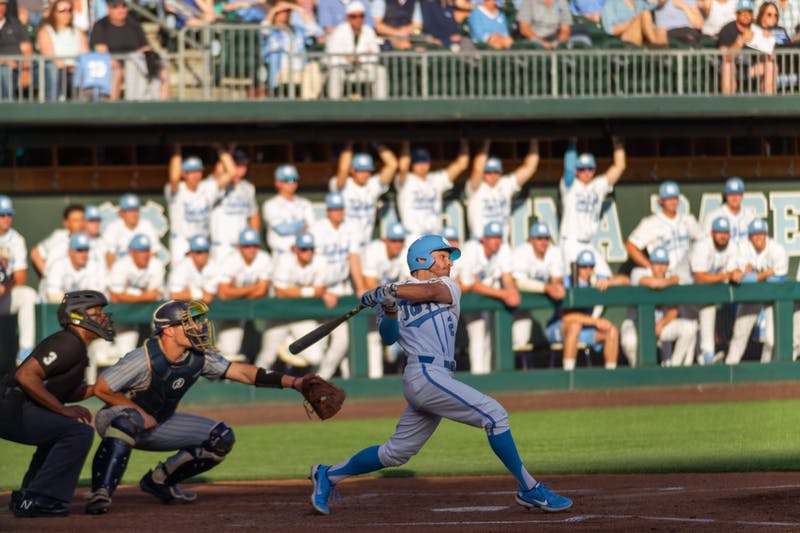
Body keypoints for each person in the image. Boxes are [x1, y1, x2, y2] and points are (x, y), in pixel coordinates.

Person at [309, 233, 572, 515]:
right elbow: (389, 337)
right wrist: (388, 308)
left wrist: (388, 291)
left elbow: (430, 293)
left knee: (396, 453)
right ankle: (530, 488)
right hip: (422, 374)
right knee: (495, 416)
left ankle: (328, 474)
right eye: (443, 256)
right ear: (422, 259)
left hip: (437, 376)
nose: (449, 262)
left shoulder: (445, 285)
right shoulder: (395, 295)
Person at [84, 299, 313, 514]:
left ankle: (159, 481)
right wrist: (140, 413)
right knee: (128, 420)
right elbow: (102, 389)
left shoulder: (199, 356)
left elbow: (242, 372)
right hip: (116, 418)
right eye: (189, 322)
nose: (199, 326)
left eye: (198, 320)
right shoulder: (142, 358)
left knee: (221, 438)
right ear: (168, 330)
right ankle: (101, 493)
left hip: (160, 422)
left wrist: (295, 382)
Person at [1, 290, 114, 518]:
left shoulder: (77, 346)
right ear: (78, 316)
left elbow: (66, 391)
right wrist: (62, 409)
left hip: (14, 406)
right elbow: (25, 375)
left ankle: (29, 496)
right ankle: (41, 499)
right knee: (77, 433)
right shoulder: (68, 342)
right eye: (97, 312)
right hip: (9, 406)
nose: (103, 317)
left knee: (61, 429)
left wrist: (102, 388)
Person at [89, 233, 166, 382]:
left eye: (146, 250)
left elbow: (155, 295)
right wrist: (142, 295)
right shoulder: (121, 265)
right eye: (140, 251)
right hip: (114, 316)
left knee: (126, 352)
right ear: (132, 252)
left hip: (141, 316)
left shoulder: (156, 264)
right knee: (102, 354)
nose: (144, 254)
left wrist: (129, 293)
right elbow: (116, 296)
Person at [255, 232, 328, 370]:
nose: (307, 252)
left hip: (301, 316)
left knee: (316, 357)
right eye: (303, 249)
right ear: (295, 249)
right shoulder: (284, 260)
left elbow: (320, 290)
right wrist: (308, 291)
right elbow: (280, 292)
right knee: (267, 357)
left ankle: (289, 344)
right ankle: (252, 387)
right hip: (278, 315)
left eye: (310, 248)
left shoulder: (320, 261)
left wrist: (296, 291)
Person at [546, 249, 629, 370]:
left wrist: (609, 282)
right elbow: (567, 317)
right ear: (577, 267)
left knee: (612, 331)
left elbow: (626, 280)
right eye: (583, 267)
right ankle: (569, 376)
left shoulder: (595, 279)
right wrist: (596, 322)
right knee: (574, 326)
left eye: (591, 266)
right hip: (559, 328)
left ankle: (610, 376)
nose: (587, 270)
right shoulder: (566, 281)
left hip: (585, 329)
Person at [456, 221, 521, 374]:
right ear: (483, 239)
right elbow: (469, 284)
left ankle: (488, 374)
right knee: (478, 331)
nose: (496, 241)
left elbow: (507, 276)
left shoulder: (503, 249)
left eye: (498, 237)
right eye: (492, 237)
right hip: (462, 295)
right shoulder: (471, 249)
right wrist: (504, 294)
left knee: (489, 336)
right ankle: (479, 377)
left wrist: (511, 291)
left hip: (485, 296)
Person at [310, 192, 362, 379]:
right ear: (327, 211)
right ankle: (314, 377)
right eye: (334, 209)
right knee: (317, 346)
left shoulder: (350, 229)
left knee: (343, 341)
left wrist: (360, 286)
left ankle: (321, 379)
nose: (338, 212)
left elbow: (354, 259)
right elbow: (310, 262)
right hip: (320, 289)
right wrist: (322, 289)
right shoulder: (317, 229)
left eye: (340, 208)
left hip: (341, 288)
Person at [620, 247, 698, 367]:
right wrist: (673, 280)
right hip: (636, 324)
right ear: (651, 263)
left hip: (659, 325)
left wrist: (662, 323)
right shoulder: (638, 272)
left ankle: (674, 367)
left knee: (689, 327)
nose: (660, 267)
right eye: (657, 263)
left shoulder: (670, 275)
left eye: (664, 263)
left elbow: (674, 309)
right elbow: (655, 284)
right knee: (629, 341)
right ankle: (636, 369)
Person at [559, 137, 626, 278]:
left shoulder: (598, 185)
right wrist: (572, 143)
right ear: (577, 171)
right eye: (582, 169)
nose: (586, 172)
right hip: (570, 243)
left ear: (594, 169)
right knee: (572, 281)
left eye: (590, 168)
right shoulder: (570, 186)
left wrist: (617, 143)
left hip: (588, 243)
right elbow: (569, 169)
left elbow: (619, 167)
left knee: (607, 278)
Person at [725, 218, 787, 364]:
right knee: (740, 334)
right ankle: (729, 369)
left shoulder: (777, 249)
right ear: (749, 236)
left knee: (772, 339)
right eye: (754, 234)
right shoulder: (743, 248)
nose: (758, 237)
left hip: (772, 299)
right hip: (751, 298)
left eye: (761, 233)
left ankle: (767, 370)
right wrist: (765, 274)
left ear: (766, 234)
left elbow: (779, 279)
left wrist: (749, 275)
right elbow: (734, 276)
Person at [166, 145, 234, 264]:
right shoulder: (177, 189)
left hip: (202, 241)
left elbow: (231, 172)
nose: (196, 175)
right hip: (182, 242)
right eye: (191, 172)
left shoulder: (207, 187)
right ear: (184, 174)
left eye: (198, 171)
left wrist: (220, 149)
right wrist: (176, 148)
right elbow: (174, 178)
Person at [625, 180, 703, 284]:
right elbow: (631, 245)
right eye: (668, 198)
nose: (672, 202)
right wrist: (649, 265)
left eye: (674, 198)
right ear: (661, 200)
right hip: (665, 275)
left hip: (686, 275)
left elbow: (703, 242)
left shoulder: (688, 220)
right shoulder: (651, 223)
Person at [89, 0, 168, 100]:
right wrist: (117, 63)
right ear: (108, 8)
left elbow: (144, 47)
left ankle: (160, 107)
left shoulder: (134, 25)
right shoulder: (101, 25)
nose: (121, 10)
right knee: (118, 71)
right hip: (112, 64)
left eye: (123, 6)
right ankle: (111, 108)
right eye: (116, 6)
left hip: (136, 63)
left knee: (162, 71)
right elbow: (101, 51)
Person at [359, 221, 409, 378]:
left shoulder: (405, 253)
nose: (397, 244)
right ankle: (375, 379)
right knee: (373, 337)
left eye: (400, 240)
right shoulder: (374, 250)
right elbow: (370, 284)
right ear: (385, 240)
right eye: (394, 240)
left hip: (392, 301)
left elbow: (408, 283)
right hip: (369, 300)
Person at [690, 216, 742, 365]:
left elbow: (732, 272)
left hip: (702, 293)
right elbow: (700, 277)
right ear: (712, 233)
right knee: (702, 314)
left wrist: (735, 273)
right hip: (683, 288)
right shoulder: (702, 246)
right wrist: (727, 275)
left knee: (693, 325)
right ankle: (706, 355)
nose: (723, 235)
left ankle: (706, 357)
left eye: (725, 232)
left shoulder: (732, 247)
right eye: (719, 232)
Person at [395, 139, 469, 241]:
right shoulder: (407, 181)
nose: (422, 165)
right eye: (418, 162)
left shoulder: (435, 180)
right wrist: (406, 143)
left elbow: (462, 164)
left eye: (424, 161)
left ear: (429, 162)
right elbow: (403, 167)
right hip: (413, 237)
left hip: (434, 236)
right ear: (412, 164)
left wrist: (464, 140)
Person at [216, 228, 272, 363]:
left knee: (264, 349)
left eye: (254, 245)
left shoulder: (263, 258)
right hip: (230, 310)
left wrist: (235, 291)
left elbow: (261, 291)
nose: (251, 249)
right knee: (229, 350)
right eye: (247, 246)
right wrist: (252, 288)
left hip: (252, 308)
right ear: (239, 247)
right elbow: (223, 293)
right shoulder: (230, 260)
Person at [466, 138, 540, 241]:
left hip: (502, 245)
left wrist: (534, 141)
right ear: (483, 173)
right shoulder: (476, 187)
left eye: (496, 171)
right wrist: (486, 142)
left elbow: (529, 168)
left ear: (500, 172)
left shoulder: (504, 185)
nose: (492, 175)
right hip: (480, 243)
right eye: (488, 171)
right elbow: (477, 168)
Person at [331, 141, 398, 253]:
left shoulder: (372, 184)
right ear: (352, 170)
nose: (365, 174)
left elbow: (393, 165)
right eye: (360, 170)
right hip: (345, 244)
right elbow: (343, 170)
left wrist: (377, 144)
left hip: (366, 242)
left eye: (367, 170)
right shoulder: (345, 185)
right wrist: (349, 145)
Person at [511, 221, 565, 354]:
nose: (544, 242)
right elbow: (518, 282)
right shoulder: (522, 251)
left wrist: (555, 286)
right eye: (539, 238)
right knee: (518, 341)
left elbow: (557, 280)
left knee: (521, 340)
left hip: (530, 301)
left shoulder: (554, 251)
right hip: (515, 303)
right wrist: (546, 288)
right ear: (530, 240)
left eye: (546, 238)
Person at [325, 1, 389, 99]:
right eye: (354, 16)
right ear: (347, 17)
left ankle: (381, 105)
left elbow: (374, 54)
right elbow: (332, 57)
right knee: (335, 74)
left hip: (363, 68)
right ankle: (334, 105)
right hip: (343, 69)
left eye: (361, 16)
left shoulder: (368, 31)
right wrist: (347, 59)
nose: (358, 19)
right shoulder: (339, 31)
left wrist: (359, 59)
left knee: (380, 71)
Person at [0, 195, 37, 363]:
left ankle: (25, 352)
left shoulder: (16, 239)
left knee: (28, 294)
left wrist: (4, 288)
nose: (7, 218)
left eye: (9, 214)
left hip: (4, 295)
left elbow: (20, 277)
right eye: (2, 215)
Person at [261, 1, 323, 99]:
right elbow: (263, 29)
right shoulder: (271, 32)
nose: (284, 14)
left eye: (287, 12)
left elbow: (315, 31)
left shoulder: (297, 30)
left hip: (300, 67)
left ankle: (308, 104)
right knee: (307, 75)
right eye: (281, 12)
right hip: (281, 69)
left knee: (313, 68)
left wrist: (299, 10)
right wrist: (274, 10)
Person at [208, 148, 261, 262]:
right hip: (221, 246)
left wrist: (252, 241)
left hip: (242, 246)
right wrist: (223, 151)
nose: (241, 167)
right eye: (237, 164)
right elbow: (218, 173)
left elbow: (253, 215)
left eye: (243, 164)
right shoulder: (216, 185)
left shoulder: (248, 188)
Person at [718, 0, 776, 95]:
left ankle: (768, 103)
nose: (746, 15)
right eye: (742, 12)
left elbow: (766, 55)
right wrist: (741, 41)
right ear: (736, 14)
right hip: (733, 67)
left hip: (751, 68)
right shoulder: (727, 30)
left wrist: (767, 43)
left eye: (749, 12)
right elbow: (726, 57)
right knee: (727, 66)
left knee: (770, 65)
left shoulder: (758, 29)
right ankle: (728, 105)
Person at [35, 0, 89, 101]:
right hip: (57, 70)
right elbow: (50, 56)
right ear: (54, 13)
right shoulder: (45, 31)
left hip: (75, 70)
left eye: (69, 10)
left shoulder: (78, 31)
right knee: (52, 68)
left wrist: (75, 67)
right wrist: (68, 67)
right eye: (62, 11)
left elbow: (85, 54)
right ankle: (52, 104)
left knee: (81, 73)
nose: (67, 14)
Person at [262, 163, 316, 260]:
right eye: (288, 180)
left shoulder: (305, 203)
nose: (292, 183)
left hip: (303, 254)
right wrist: (302, 224)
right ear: (277, 182)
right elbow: (282, 229)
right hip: (282, 255)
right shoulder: (270, 204)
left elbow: (311, 228)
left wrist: (299, 228)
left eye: (294, 180)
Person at [41, 232, 107, 304]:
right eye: (80, 250)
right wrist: (80, 300)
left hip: (72, 309)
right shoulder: (58, 266)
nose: (84, 254)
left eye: (86, 250)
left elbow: (95, 295)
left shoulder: (91, 266)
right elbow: (53, 297)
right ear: (70, 252)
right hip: (47, 309)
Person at [102, 193, 164, 268]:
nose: (134, 214)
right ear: (121, 213)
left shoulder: (146, 226)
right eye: (130, 211)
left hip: (142, 272)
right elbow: (109, 256)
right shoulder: (113, 228)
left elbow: (153, 254)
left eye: (136, 210)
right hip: (120, 272)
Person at [31, 203, 86, 278]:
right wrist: (48, 276)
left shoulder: (92, 241)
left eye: (82, 219)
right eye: (76, 220)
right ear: (66, 223)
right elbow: (35, 253)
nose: (80, 224)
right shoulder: (58, 236)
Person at [700, 176, 757, 245]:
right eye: (731, 194)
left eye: (737, 194)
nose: (734, 197)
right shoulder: (713, 216)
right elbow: (704, 242)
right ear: (726, 195)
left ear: (742, 195)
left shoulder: (750, 216)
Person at [168, 233, 219, 304]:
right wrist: (200, 294)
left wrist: (189, 293)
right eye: (199, 252)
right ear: (191, 253)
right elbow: (174, 295)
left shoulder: (213, 267)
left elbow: (208, 297)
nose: (204, 255)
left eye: (206, 251)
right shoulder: (181, 268)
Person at [517, 0, 589, 48]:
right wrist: (543, 43)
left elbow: (565, 28)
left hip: (555, 38)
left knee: (583, 38)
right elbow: (524, 28)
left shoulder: (561, 2)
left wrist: (560, 43)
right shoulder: (528, 1)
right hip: (533, 40)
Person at [0, 0, 33, 101]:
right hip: (5, 65)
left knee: (6, 70)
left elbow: (27, 49)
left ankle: (9, 106)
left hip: (14, 69)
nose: (1, 7)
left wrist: (25, 71)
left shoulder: (15, 24)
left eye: (3, 4)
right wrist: (4, 61)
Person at [601, 0, 667, 46]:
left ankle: (657, 49)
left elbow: (656, 4)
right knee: (641, 16)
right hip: (622, 36)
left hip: (643, 33)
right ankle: (655, 46)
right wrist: (630, 23)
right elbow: (610, 30)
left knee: (661, 31)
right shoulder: (610, 3)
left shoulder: (638, 1)